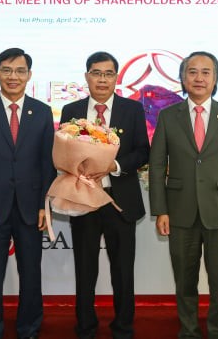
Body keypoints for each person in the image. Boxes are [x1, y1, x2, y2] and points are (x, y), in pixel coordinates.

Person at [148, 51, 218, 339]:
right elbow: (156, 167)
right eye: (192, 71)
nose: (199, 78)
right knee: (185, 282)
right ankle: (189, 332)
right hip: (179, 212)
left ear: (215, 79)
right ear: (182, 78)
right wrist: (160, 210)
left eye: (206, 72)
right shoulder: (168, 116)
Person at [0, 47, 57, 339]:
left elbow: (48, 163)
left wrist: (44, 205)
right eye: (7, 70)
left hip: (31, 207)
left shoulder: (42, 112)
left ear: (29, 75)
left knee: (31, 274)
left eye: (19, 71)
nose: (13, 76)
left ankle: (29, 329)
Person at [59, 51, 150, 339]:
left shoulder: (132, 109)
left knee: (122, 271)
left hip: (120, 201)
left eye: (108, 74)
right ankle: (85, 328)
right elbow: (61, 153)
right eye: (96, 73)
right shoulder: (71, 110)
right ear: (86, 77)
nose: (102, 79)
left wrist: (114, 165)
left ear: (116, 78)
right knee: (85, 270)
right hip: (83, 200)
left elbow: (142, 151)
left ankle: (123, 328)